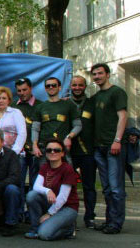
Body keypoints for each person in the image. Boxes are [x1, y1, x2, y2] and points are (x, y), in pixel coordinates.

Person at [91, 63, 127, 234]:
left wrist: (117, 140)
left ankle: (116, 223)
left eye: (100, 73)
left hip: (113, 147)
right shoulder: (97, 96)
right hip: (99, 148)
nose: (97, 76)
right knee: (106, 188)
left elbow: (122, 117)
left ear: (107, 74)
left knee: (115, 187)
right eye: (94, 74)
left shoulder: (117, 92)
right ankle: (109, 220)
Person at [25, 138, 79, 240]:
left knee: (45, 234)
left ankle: (69, 230)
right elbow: (36, 186)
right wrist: (48, 190)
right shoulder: (45, 167)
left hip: (67, 208)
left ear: (62, 153)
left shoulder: (67, 169)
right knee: (31, 195)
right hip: (52, 203)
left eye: (57, 150)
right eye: (49, 150)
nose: (52, 152)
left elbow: (63, 198)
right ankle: (35, 229)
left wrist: (49, 214)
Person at [66, 75, 97, 228]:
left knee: (89, 186)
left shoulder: (92, 103)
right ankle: (68, 217)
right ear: (70, 86)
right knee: (67, 186)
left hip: (87, 152)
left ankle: (89, 217)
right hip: (68, 152)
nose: (77, 88)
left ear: (85, 86)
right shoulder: (65, 104)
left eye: (80, 85)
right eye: (74, 85)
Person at [31, 77, 81, 166]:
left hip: (62, 147)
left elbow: (78, 125)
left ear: (59, 87)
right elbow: (35, 128)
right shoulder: (40, 107)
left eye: (54, 85)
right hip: (44, 149)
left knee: (66, 177)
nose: (51, 87)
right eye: (48, 86)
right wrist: (34, 146)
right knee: (44, 178)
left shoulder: (68, 105)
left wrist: (69, 137)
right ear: (45, 88)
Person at [12, 77, 43, 215]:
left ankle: (32, 213)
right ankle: (19, 212)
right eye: (19, 90)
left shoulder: (41, 105)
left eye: (24, 90)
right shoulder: (13, 106)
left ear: (31, 88)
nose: (22, 93)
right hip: (19, 151)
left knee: (35, 184)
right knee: (18, 182)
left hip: (36, 151)